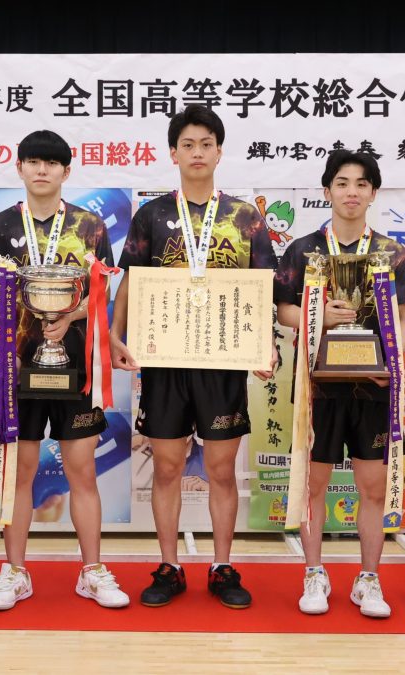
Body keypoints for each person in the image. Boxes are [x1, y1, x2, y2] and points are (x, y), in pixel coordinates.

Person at [109, 105, 277, 609]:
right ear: (174, 153)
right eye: (188, 145)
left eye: (206, 144)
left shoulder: (245, 217)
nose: (197, 153)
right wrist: (115, 336)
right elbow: (131, 281)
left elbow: (263, 288)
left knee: (221, 470)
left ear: (219, 152)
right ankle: (170, 565)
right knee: (166, 467)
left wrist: (265, 341)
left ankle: (223, 566)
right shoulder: (152, 215)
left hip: (223, 361)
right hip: (164, 363)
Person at [0, 130, 126, 611]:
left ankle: (92, 571)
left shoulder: (89, 226)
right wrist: (7, 341)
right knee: (20, 472)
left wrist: (68, 317)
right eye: (34, 162)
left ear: (66, 171)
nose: (42, 170)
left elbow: (101, 293)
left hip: (75, 365)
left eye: (52, 163)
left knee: (82, 470)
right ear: (19, 168)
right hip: (17, 370)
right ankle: (15, 571)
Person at [274, 150, 405, 618]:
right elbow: (283, 310)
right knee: (313, 484)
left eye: (361, 184)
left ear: (373, 193)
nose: (351, 192)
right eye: (342, 183)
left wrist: (390, 360)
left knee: (372, 486)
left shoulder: (394, 254)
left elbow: (404, 319)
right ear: (327, 191)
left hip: (373, 386)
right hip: (318, 388)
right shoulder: (303, 250)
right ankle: (314, 573)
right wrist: (318, 315)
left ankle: (368, 578)